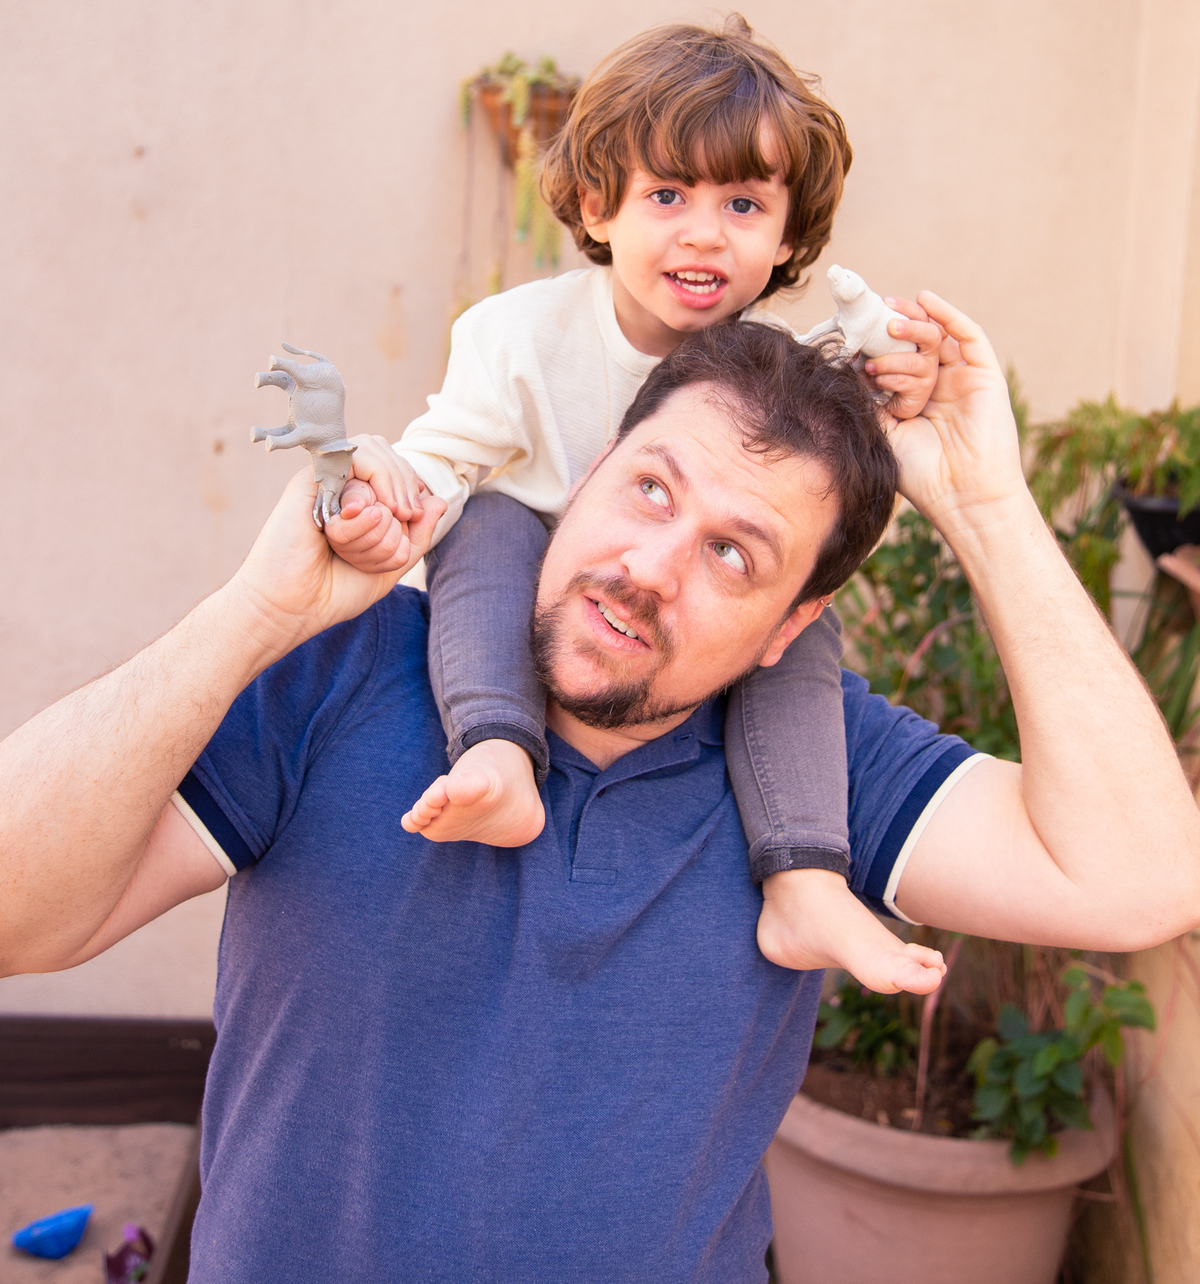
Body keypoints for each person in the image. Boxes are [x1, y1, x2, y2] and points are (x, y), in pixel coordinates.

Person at [2, 301, 1198, 1284]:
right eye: (650, 491)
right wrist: (252, 618)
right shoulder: (345, 670)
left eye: (734, 554)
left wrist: (988, 509)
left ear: (793, 625)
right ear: (582, 476)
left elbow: (1142, 882)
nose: (651, 568)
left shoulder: (819, 768)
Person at [326, 16, 946, 992]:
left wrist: (898, 379)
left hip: (677, 619)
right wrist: (383, 499)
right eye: (666, 195)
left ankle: (805, 876)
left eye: (743, 204)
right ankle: (499, 751)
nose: (704, 232)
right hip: (529, 572)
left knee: (801, 622)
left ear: (788, 235)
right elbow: (441, 464)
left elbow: (831, 472)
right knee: (486, 521)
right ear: (597, 206)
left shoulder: (777, 377)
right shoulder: (518, 336)